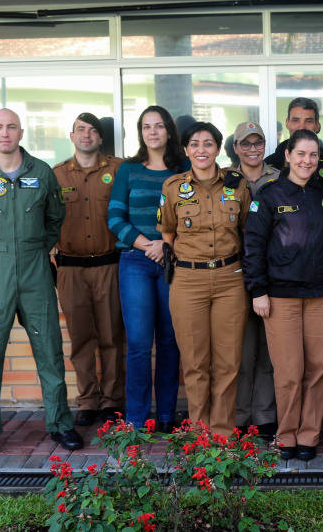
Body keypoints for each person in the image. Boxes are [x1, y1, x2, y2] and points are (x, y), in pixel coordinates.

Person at [0, 108, 80, 460]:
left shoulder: (41, 173)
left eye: (11, 127)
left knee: (50, 352)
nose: (5, 133)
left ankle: (59, 422)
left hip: (35, 271)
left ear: (21, 132)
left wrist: (35, 251)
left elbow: (55, 218)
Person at [243, 129, 323, 461]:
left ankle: (308, 436)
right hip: (281, 296)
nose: (307, 161)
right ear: (287, 155)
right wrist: (258, 290)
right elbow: (253, 246)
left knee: (317, 369)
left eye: (313, 155)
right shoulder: (268, 195)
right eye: (301, 154)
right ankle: (286, 436)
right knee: (288, 372)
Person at [159, 122, 252, 436]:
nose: (202, 150)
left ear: (218, 149)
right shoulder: (173, 187)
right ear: (186, 150)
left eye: (208, 143)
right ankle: (200, 437)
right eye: (195, 144)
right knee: (196, 364)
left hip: (230, 279)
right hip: (188, 280)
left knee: (228, 362)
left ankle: (223, 436)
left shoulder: (237, 185)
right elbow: (168, 232)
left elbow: (245, 229)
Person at [108, 105, 188, 431]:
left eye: (158, 126)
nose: (152, 132)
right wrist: (150, 245)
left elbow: (192, 217)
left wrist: (166, 245)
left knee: (170, 341)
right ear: (140, 132)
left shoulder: (183, 170)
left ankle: (167, 416)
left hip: (175, 263)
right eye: (146, 127)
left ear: (169, 130)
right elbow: (115, 218)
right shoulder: (128, 170)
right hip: (135, 264)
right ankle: (138, 419)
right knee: (140, 344)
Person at [53, 113, 125, 428]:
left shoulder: (118, 170)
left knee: (111, 336)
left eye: (93, 130)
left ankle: (111, 401)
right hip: (70, 268)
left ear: (100, 138)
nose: (87, 135)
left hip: (109, 264)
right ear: (71, 136)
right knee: (81, 338)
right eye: (81, 130)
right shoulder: (55, 175)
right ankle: (87, 401)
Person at [233, 122, 279, 438]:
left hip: (271, 272)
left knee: (268, 346)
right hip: (233, 273)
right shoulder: (225, 179)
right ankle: (238, 414)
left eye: (258, 142)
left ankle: (263, 414)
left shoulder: (279, 178)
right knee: (238, 346)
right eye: (245, 144)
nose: (252, 149)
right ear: (235, 147)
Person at [264, 97, 323, 199]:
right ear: (287, 123)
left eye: (309, 121)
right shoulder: (270, 164)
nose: (301, 126)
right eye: (296, 120)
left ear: (317, 125)